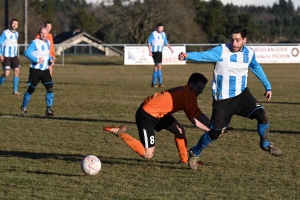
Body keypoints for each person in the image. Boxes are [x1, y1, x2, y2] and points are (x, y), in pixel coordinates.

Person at [178, 25, 283, 170]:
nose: (234, 43)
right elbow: (204, 55)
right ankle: (195, 152)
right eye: (232, 40)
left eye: (238, 40)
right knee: (214, 133)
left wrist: (268, 86)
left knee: (262, 116)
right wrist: (188, 55)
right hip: (223, 100)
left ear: (244, 40)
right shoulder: (222, 50)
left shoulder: (250, 53)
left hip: (242, 95)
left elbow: (256, 67)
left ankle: (265, 144)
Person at [103, 73, 210, 164]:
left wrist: (212, 125)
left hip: (160, 113)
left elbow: (197, 114)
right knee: (147, 154)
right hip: (147, 114)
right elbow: (195, 120)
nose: (201, 91)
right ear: (191, 84)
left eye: (202, 88)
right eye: (199, 88)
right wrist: (211, 130)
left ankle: (184, 160)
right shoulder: (188, 96)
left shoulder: (187, 92)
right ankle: (122, 133)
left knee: (180, 131)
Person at [20, 27, 55, 116]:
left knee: (50, 88)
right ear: (39, 33)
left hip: (45, 70)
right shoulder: (34, 43)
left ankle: (48, 109)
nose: (44, 35)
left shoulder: (48, 42)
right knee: (31, 89)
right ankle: (24, 107)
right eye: (42, 33)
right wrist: (36, 59)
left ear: (48, 34)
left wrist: (51, 59)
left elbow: (47, 54)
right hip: (35, 70)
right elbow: (26, 53)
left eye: (45, 33)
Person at [147, 23, 173, 88]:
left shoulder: (163, 34)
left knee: (156, 67)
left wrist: (170, 48)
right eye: (159, 28)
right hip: (155, 52)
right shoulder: (154, 33)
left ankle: (153, 83)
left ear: (163, 28)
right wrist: (150, 51)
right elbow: (149, 42)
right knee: (159, 66)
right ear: (157, 28)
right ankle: (160, 83)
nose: (160, 29)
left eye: (161, 28)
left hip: (160, 52)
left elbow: (166, 42)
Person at [0, 19, 22, 95]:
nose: (14, 25)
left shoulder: (17, 34)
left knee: (17, 71)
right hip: (6, 56)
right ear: (10, 24)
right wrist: (0, 54)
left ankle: (15, 91)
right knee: (6, 73)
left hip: (14, 56)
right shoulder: (5, 33)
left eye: (16, 24)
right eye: (13, 23)